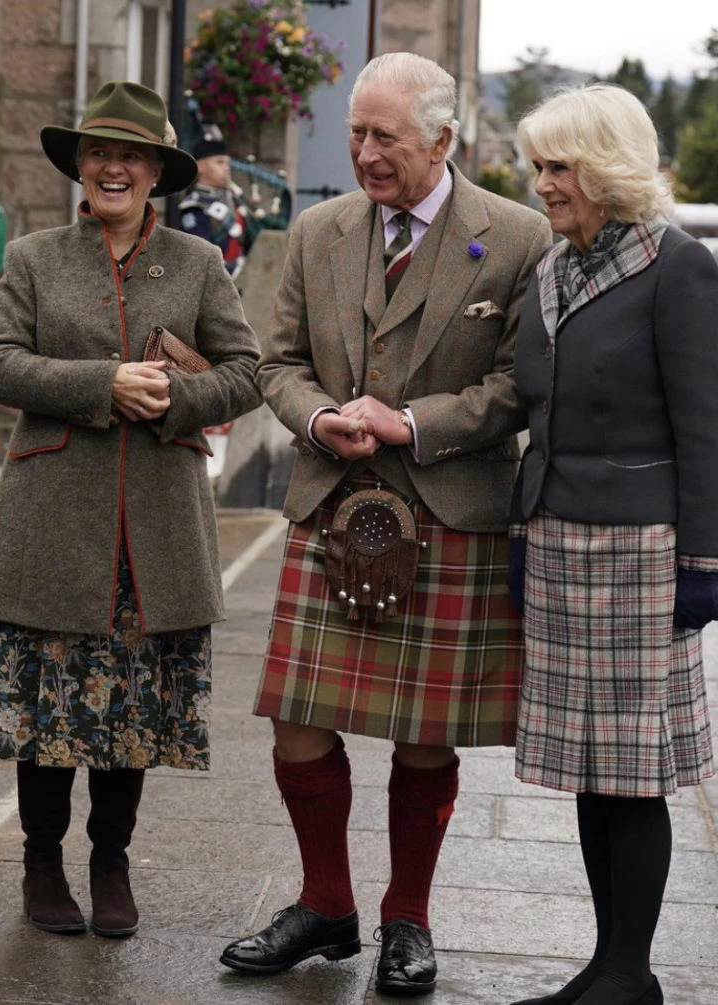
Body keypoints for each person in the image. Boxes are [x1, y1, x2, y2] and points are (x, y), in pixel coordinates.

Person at [219, 52, 552, 996]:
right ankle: (326, 902)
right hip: (333, 502)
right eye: (356, 133)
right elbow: (277, 363)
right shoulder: (319, 230)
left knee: (425, 731)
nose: (365, 153)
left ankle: (409, 917)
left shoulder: (516, 235)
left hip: (449, 509)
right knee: (296, 716)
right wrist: (320, 416)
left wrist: (409, 422)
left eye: (385, 138)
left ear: (443, 140)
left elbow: (518, 386)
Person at [0, 81, 260, 940]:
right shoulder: (33, 256)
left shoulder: (198, 262)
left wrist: (174, 396)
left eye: (131, 157)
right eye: (100, 153)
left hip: (157, 526)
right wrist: (102, 383)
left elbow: (246, 373)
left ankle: (111, 861)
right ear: (80, 165)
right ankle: (41, 863)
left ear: (155, 172)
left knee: (130, 710)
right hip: (55, 521)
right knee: (49, 709)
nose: (113, 169)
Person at [506, 84, 718, 1005]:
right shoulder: (554, 265)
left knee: (634, 773)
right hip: (557, 540)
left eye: (560, 166)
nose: (543, 183)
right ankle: (605, 966)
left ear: (607, 167)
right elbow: (537, 405)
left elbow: (707, 426)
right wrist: (524, 528)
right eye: (539, 166)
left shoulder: (679, 267)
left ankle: (632, 972)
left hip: (641, 554)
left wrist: (705, 564)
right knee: (593, 766)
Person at [178, 125, 262, 279]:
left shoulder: (234, 199)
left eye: (227, 163)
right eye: (219, 162)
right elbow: (200, 257)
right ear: (200, 166)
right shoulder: (194, 206)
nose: (226, 168)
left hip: (244, 280)